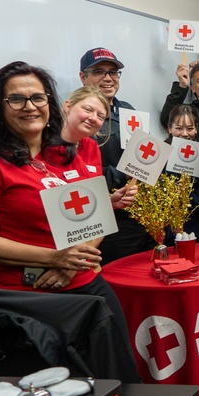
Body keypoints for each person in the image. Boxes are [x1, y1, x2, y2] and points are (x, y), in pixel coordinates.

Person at [0, 62, 199, 396]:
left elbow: (93, 216)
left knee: (126, 384)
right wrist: (54, 256)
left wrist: (71, 261)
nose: (30, 106)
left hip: (88, 289)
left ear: (50, 103)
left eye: (37, 97)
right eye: (17, 98)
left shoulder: (72, 151)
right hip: (28, 304)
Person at [77, 47, 151, 264]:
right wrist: (121, 174)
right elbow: (77, 175)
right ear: (83, 77)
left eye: (113, 72)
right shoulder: (80, 117)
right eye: (99, 72)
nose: (108, 78)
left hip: (139, 214)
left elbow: (144, 155)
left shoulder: (129, 111)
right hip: (104, 217)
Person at [162, 104, 199, 243]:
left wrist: (188, 196)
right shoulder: (159, 154)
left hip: (196, 227)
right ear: (169, 129)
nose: (185, 133)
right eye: (179, 128)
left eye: (190, 128)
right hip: (163, 228)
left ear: (196, 129)